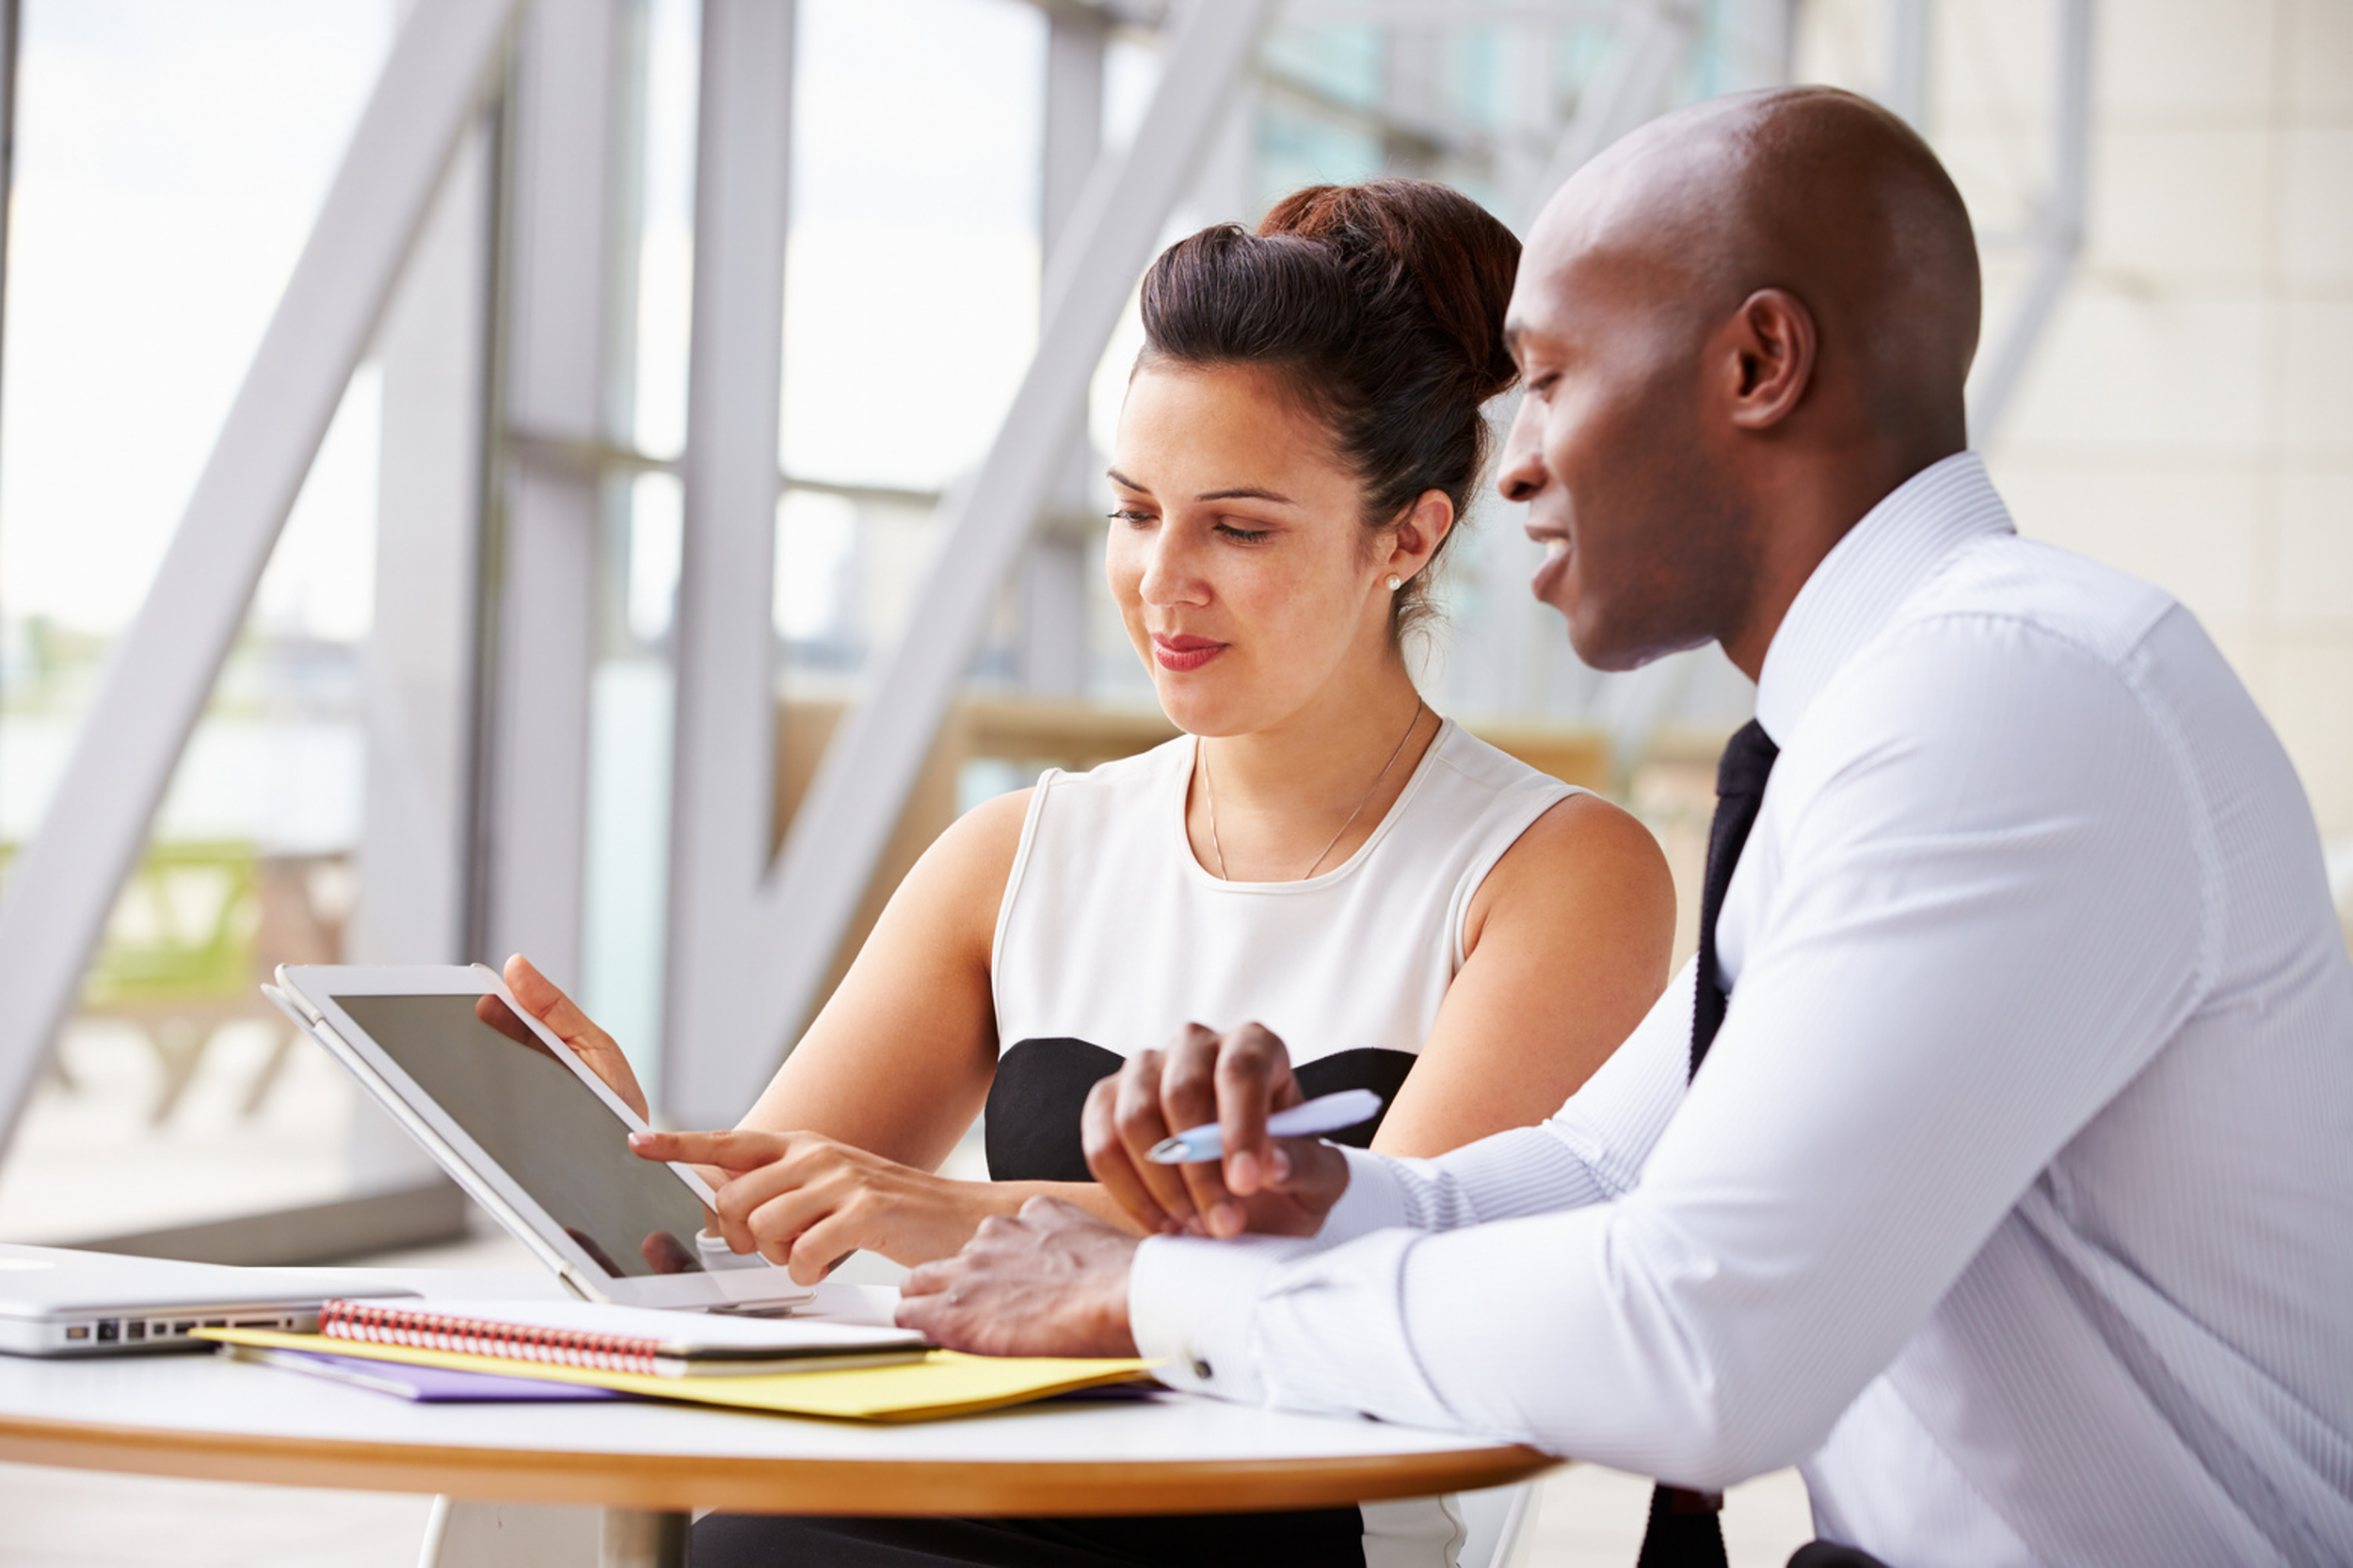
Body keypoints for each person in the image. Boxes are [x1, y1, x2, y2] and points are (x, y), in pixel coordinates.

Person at [897, 88, 2353, 1568]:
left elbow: (1707, 1348)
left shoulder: (2009, 698)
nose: (1514, 460)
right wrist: (1307, 1201)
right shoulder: (1886, 716)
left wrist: (1157, 1297)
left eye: (1551, 376)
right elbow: (1602, 1174)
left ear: (1758, 363)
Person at [510, 179, 1676, 1564]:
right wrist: (609, 1147)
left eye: (1238, 528)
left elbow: (1402, 1261)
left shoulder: (1555, 871)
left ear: (1409, 536)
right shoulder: (1018, 854)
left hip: (1296, 1511)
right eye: (1134, 512)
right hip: (983, 1466)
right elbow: (758, 1242)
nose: (1161, 580)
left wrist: (954, 1210)